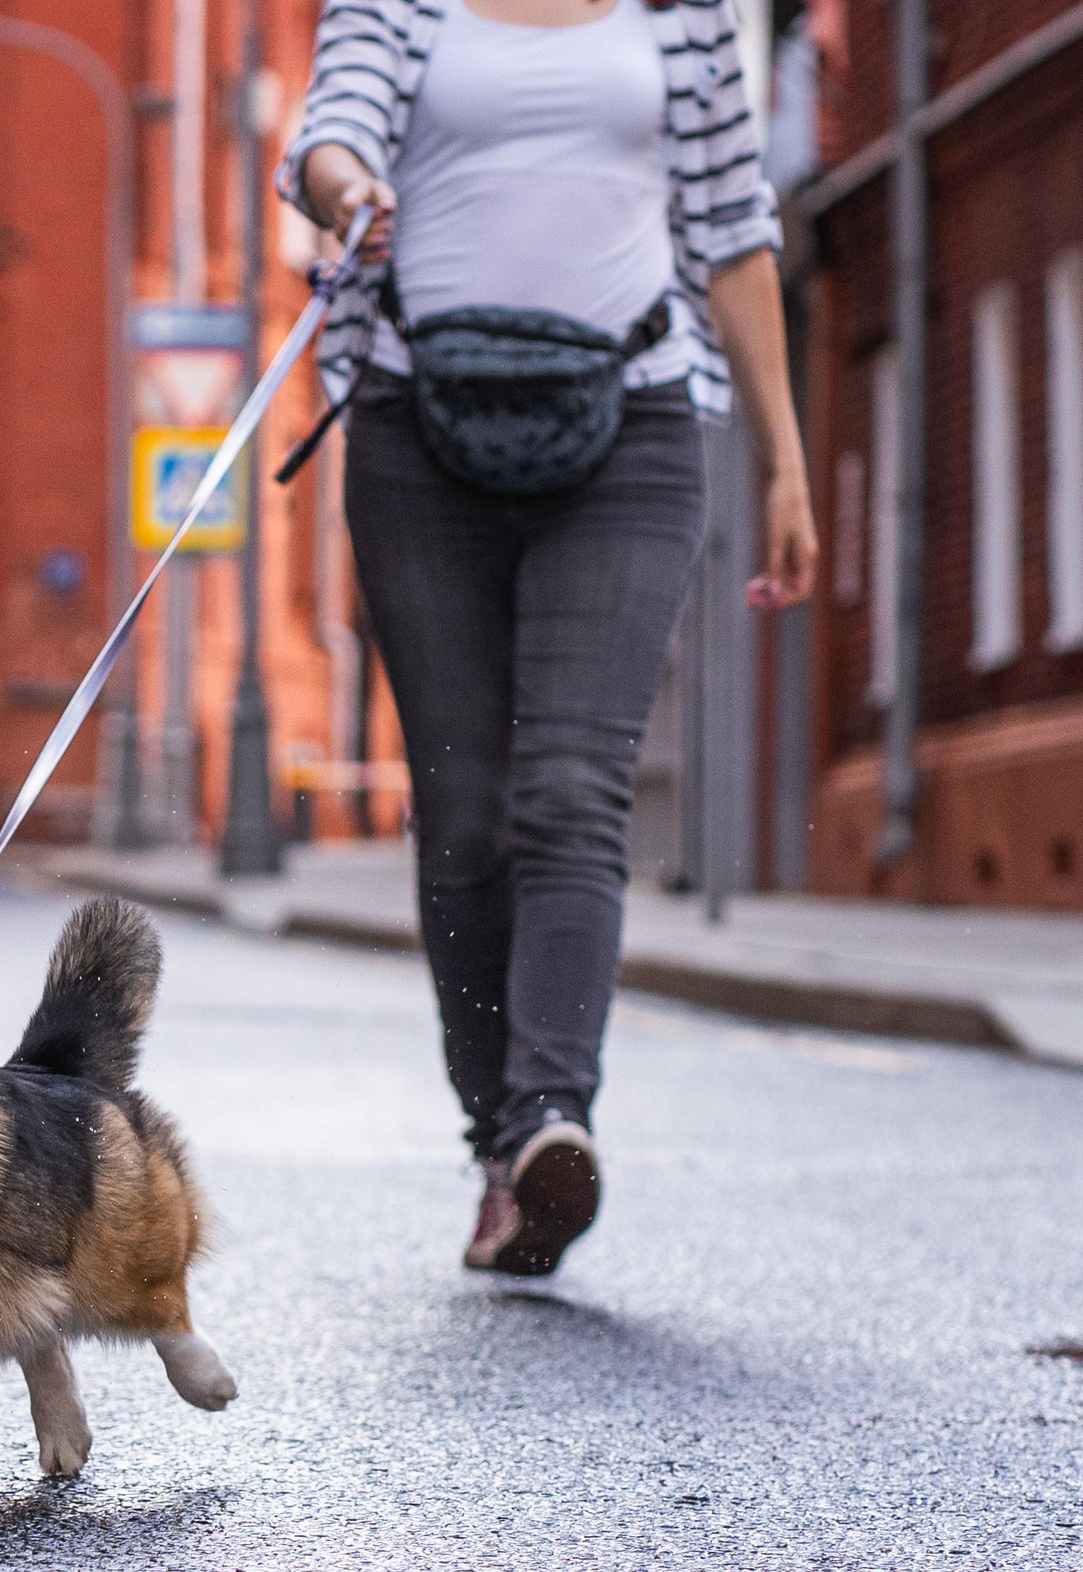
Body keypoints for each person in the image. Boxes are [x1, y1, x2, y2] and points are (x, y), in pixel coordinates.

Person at [280, 0, 818, 1274]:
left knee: (572, 786)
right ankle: (495, 1146)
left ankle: (548, 1125)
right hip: (419, 429)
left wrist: (784, 458)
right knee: (465, 809)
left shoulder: (681, 21)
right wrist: (349, 185)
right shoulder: (393, 6)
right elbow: (325, 137)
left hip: (631, 427)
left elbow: (735, 231)